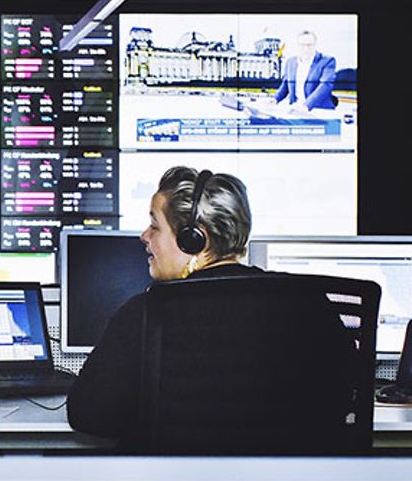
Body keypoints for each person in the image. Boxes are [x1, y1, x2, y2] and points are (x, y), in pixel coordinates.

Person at [67, 167, 264, 443]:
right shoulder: (304, 303)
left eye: (155, 226)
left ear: (194, 239)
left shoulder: (146, 314)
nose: (144, 236)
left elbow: (87, 413)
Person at [273, 30, 338, 112]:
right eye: (302, 45)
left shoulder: (327, 61)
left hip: (319, 111)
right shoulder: (290, 62)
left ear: (315, 45)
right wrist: (275, 99)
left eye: (309, 45)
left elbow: (325, 85)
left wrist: (306, 106)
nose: (306, 48)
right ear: (297, 45)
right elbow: (285, 85)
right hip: (295, 110)